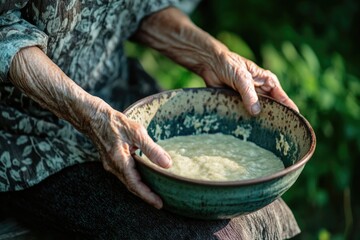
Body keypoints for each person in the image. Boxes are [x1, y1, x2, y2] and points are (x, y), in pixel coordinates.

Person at [0, 0, 300, 239]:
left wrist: (212, 54)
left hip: (120, 98)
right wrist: (92, 116)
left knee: (270, 216)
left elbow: (142, 8)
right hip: (28, 137)